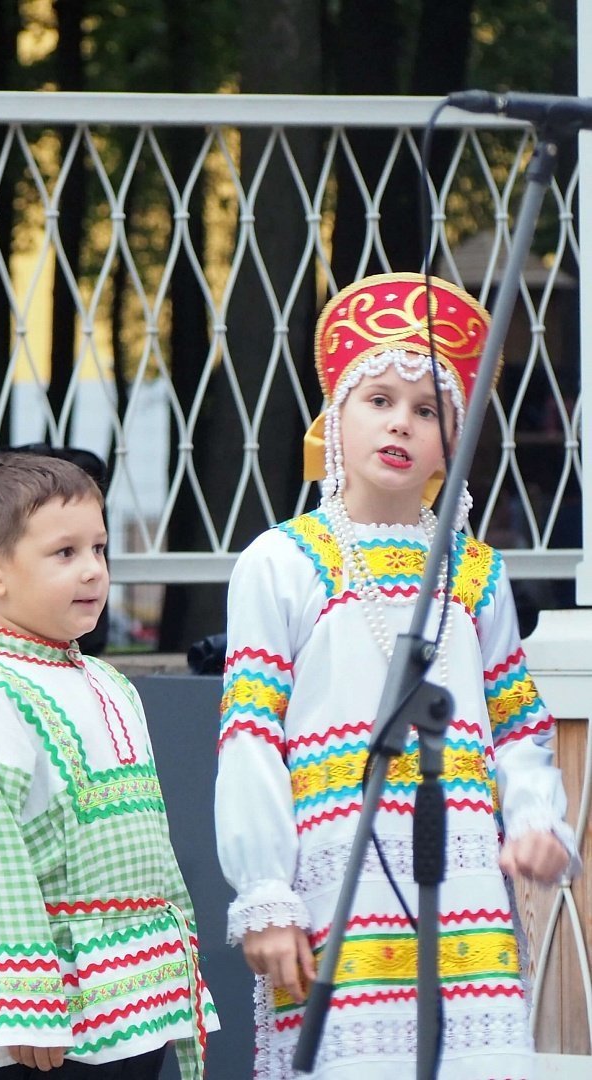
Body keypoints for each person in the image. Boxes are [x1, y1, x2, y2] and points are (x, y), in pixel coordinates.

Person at [215, 273, 578, 1078]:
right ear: (332, 422)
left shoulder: (478, 573)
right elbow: (250, 735)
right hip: (336, 877)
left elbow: (519, 727)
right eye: (377, 399)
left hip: (463, 877)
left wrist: (534, 818)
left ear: (454, 439)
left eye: (427, 411)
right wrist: (267, 891)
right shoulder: (281, 561)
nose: (401, 424)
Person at [0, 452, 217, 1078]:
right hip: (51, 1007)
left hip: (139, 990)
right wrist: (19, 1003)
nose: (93, 570)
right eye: (65, 553)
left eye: (100, 549)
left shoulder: (112, 684)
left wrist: (182, 962)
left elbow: (154, 843)